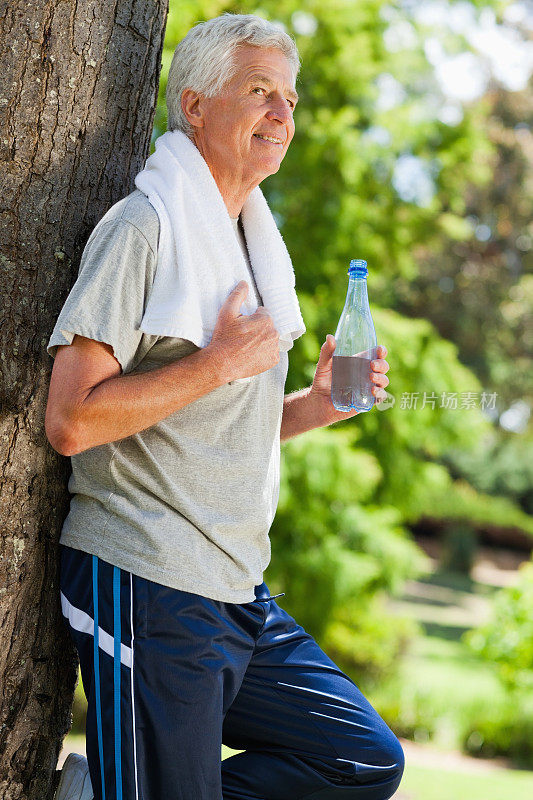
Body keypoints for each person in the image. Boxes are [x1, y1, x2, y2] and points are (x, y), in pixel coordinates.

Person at [46, 13, 400, 800]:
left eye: (291, 98)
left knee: (361, 760)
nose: (283, 113)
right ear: (196, 105)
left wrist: (314, 406)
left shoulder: (250, 244)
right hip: (144, 574)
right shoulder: (145, 229)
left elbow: (212, 427)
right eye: (260, 91)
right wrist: (215, 364)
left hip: (237, 586)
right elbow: (70, 422)